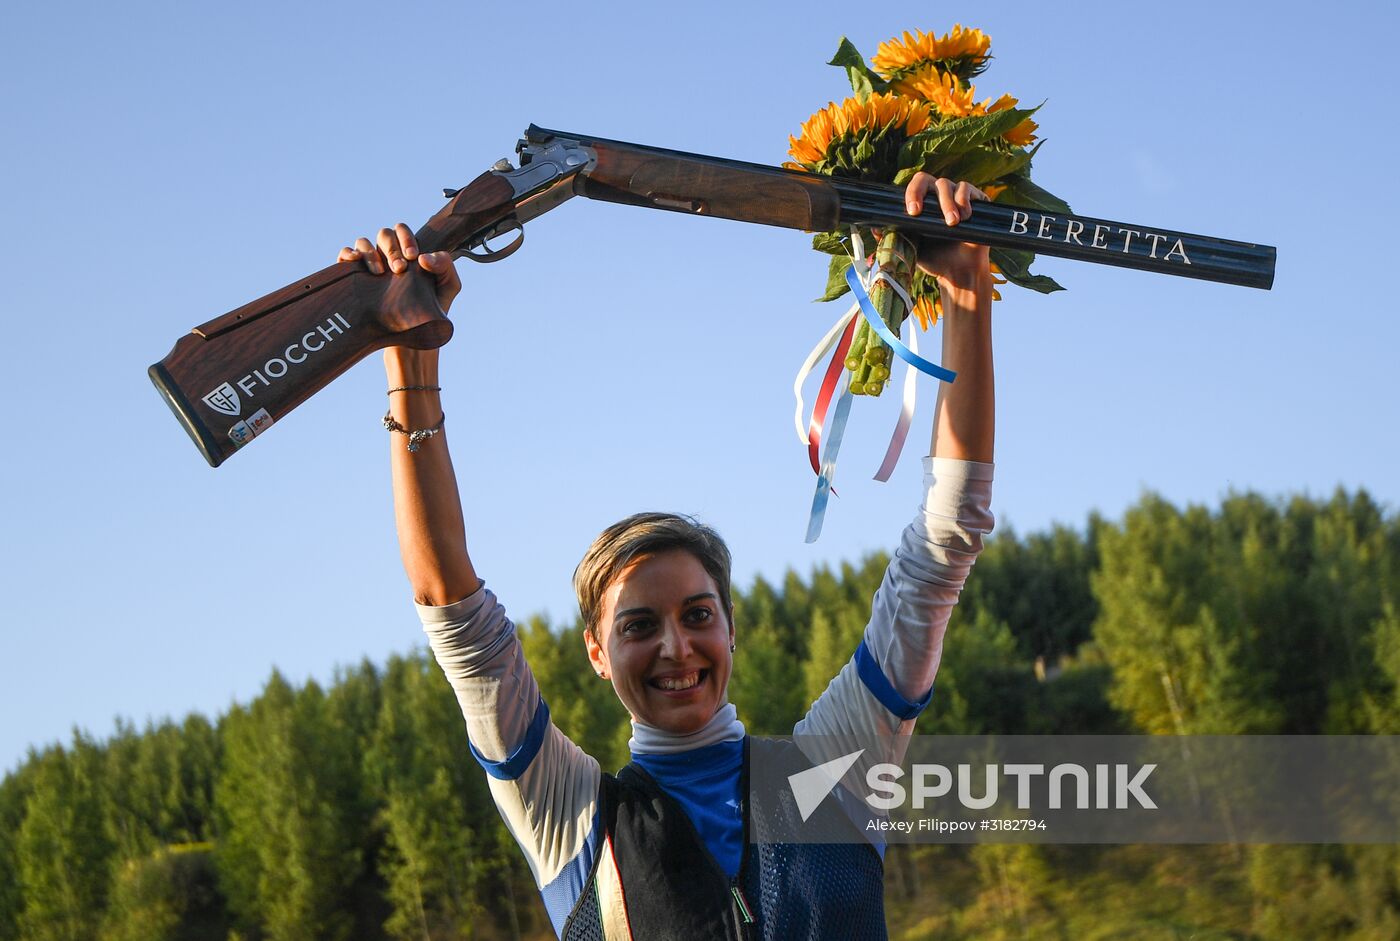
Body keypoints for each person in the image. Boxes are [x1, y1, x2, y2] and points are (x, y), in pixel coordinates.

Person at [339, 173, 996, 940]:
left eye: (697, 614)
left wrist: (967, 292)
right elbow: (453, 610)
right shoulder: (573, 818)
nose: (676, 646)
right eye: (639, 625)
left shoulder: (834, 769)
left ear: (730, 627)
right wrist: (409, 360)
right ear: (596, 651)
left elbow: (945, 540)